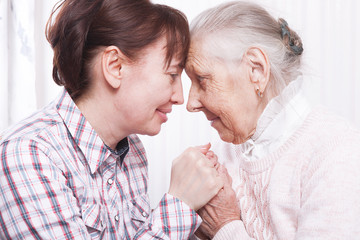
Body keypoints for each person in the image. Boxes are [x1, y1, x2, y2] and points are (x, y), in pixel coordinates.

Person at [0, 0, 225, 239]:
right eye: (171, 75)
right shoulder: (28, 154)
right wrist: (181, 203)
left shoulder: (132, 151)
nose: (180, 97)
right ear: (115, 66)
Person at [186, 1, 360, 239]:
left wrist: (225, 228)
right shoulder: (223, 154)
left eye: (202, 79)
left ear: (256, 70)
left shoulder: (336, 153)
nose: (190, 103)